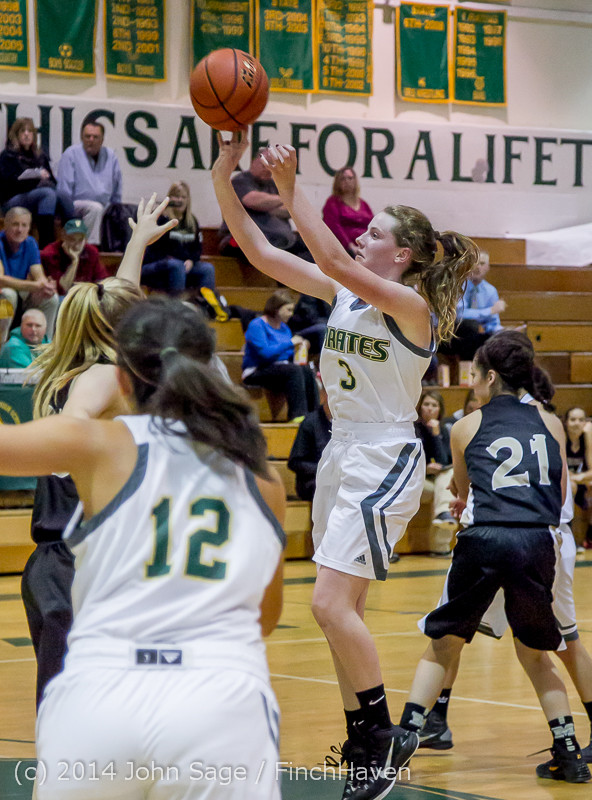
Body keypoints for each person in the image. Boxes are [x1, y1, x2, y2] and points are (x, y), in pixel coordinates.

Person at [212, 131, 478, 800]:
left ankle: (385, 737)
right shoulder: (346, 295)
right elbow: (258, 249)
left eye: (376, 232)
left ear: (404, 254)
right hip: (342, 449)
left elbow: (328, 249)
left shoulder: (411, 308)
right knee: (341, 612)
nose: (362, 237)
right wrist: (225, 171)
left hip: (385, 451)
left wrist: (296, 184)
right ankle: (364, 745)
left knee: (328, 603)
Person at [1, 296, 286, 800]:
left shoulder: (100, 444)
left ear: (123, 380)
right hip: (219, 699)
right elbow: (262, 617)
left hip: (101, 695)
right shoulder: (261, 474)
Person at [399, 331, 591, 784]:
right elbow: (557, 491)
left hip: (485, 539)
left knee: (444, 643)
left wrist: (472, 502)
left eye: (473, 375)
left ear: (489, 376)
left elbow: (463, 493)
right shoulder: (551, 422)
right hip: (538, 542)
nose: (470, 383)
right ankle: (568, 753)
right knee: (539, 654)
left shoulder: (466, 425)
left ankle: (402, 740)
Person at [22, 195, 176, 709]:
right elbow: (77, 419)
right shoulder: (103, 377)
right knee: (81, 728)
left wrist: (134, 244)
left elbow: (116, 297)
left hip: (59, 564)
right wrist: (72, 433)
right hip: (79, 568)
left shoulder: (70, 367)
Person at [218, 147, 313, 262]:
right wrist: (283, 198)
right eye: (265, 164)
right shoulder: (241, 181)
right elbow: (251, 200)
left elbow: (289, 210)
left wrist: (267, 204)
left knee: (312, 250)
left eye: (272, 166)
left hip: (280, 242)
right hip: (246, 242)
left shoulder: (273, 185)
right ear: (255, 162)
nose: (268, 169)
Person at [242, 289, 319, 423]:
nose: (291, 314)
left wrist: (298, 348)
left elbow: (287, 355)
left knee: (306, 370)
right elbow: (265, 354)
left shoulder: (284, 328)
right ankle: (297, 416)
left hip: (280, 371)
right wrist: (289, 343)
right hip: (256, 370)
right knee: (293, 370)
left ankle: (314, 416)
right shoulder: (257, 325)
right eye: (288, 309)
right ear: (277, 308)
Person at [0, 118, 74, 247]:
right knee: (47, 194)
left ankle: (73, 239)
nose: (27, 134)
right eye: (23, 131)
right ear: (16, 134)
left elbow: (52, 182)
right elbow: (8, 185)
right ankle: (46, 244)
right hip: (12, 200)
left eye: (30, 131)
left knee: (63, 195)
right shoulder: (8, 155)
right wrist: (35, 179)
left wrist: (45, 179)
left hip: (38, 197)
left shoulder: (39, 155)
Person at [141, 180, 217, 296]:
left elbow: (197, 249)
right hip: (155, 265)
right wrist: (176, 260)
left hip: (181, 266)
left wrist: (191, 260)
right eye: (176, 197)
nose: (180, 200)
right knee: (177, 265)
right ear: (169, 198)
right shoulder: (161, 219)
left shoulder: (192, 222)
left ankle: (207, 307)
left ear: (188, 200)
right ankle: (177, 308)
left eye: (183, 197)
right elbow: (153, 250)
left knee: (208, 269)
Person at [57, 121, 123, 245]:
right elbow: (63, 192)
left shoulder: (111, 156)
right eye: (87, 136)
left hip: (105, 206)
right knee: (95, 208)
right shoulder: (71, 154)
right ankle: (90, 248)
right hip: (74, 205)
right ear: (82, 137)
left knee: (124, 212)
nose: (91, 140)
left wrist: (117, 209)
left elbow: (117, 189)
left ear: (102, 139)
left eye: (95, 137)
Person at [0, 206, 59, 343]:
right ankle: (1, 349)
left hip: (21, 295)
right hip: (3, 297)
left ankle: (44, 348)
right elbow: (1, 280)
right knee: (8, 295)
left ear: (29, 228)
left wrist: (45, 286)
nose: (19, 229)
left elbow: (39, 275)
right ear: (5, 225)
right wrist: (35, 286)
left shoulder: (30, 243)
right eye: (15, 224)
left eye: (24, 225)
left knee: (51, 298)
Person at [438, 250, 506, 361]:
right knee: (470, 325)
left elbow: (492, 323)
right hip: (453, 335)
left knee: (499, 339)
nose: (478, 267)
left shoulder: (491, 291)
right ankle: (467, 369)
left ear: (488, 267)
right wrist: (489, 311)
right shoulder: (457, 286)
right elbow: (459, 315)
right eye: (475, 263)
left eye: (482, 263)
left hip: (476, 337)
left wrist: (504, 331)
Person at [414, 389, 457, 556]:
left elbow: (443, 461)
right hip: (417, 481)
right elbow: (407, 460)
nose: (430, 408)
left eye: (434, 405)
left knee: (447, 478)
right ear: (420, 407)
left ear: (440, 409)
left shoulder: (443, 429)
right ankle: (441, 541)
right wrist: (424, 468)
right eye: (426, 404)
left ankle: (443, 518)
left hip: (436, 483)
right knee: (445, 491)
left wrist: (436, 434)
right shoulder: (413, 428)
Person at [41, 218, 109, 296]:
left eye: (80, 240)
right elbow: (63, 288)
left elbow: (102, 280)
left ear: (85, 240)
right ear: (63, 236)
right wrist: (75, 261)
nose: (76, 245)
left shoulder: (91, 252)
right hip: (60, 298)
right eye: (72, 239)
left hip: (85, 296)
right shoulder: (50, 253)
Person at [288, 380, 332, 500]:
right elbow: (295, 462)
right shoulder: (309, 423)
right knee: (330, 488)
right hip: (311, 482)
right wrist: (324, 470)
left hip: (335, 479)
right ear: (323, 394)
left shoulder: (345, 424)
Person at [322, 167, 373, 257]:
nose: (347, 181)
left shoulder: (364, 204)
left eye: (350, 178)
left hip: (366, 247)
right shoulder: (332, 203)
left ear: (355, 180)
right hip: (344, 249)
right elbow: (335, 228)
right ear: (337, 182)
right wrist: (350, 246)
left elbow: (372, 226)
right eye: (343, 179)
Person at [564, 407, 592, 548]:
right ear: (566, 422)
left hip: (581, 481)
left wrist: (578, 477)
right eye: (573, 419)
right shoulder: (561, 437)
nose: (577, 423)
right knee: (571, 487)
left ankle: (588, 536)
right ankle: (569, 537)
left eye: (581, 420)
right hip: (565, 484)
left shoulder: (587, 438)